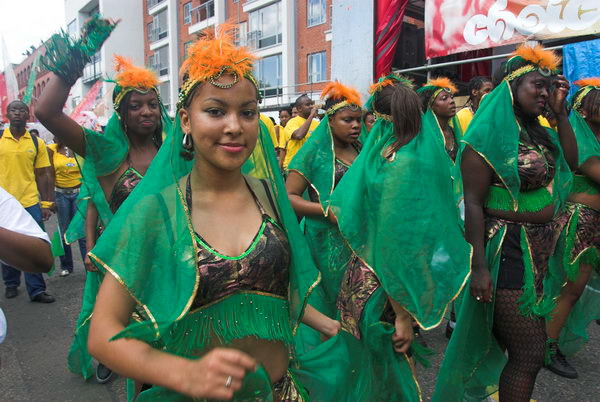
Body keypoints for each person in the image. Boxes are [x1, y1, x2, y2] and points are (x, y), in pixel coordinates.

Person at [85, 26, 336, 401]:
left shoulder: (270, 195)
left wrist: (334, 326)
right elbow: (103, 334)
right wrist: (185, 374)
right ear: (186, 120)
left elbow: (283, 292)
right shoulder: (159, 211)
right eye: (215, 111)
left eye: (247, 112)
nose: (234, 127)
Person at [302, 74, 472, 401]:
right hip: (383, 288)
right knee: (381, 376)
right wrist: (405, 316)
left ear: (377, 119)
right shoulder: (409, 157)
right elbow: (398, 244)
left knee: (370, 372)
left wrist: (404, 313)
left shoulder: (389, 158)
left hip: (371, 284)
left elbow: (391, 240)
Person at [433, 44, 578, 402]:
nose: (544, 95)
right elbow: (473, 202)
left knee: (518, 350)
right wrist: (479, 267)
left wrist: (560, 117)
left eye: (549, 88)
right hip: (506, 252)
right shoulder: (485, 138)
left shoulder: (537, 130)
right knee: (529, 353)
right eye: (536, 86)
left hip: (537, 252)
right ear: (512, 87)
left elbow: (570, 164)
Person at [36, 16, 171, 384]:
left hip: (173, 261)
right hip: (126, 265)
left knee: (173, 349)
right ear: (121, 113)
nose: (146, 112)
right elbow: (46, 112)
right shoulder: (107, 150)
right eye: (135, 106)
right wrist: (82, 51)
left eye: (152, 105)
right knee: (140, 357)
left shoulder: (173, 151)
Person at [285, 81, 362, 318]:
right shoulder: (313, 153)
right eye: (347, 120)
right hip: (325, 243)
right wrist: (327, 211)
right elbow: (288, 197)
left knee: (359, 304)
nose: (356, 125)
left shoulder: (360, 148)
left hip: (359, 239)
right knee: (330, 304)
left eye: (358, 120)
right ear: (330, 120)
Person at [544, 78, 600, 379]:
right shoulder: (576, 134)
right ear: (584, 108)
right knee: (569, 289)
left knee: (576, 290)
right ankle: (547, 347)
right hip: (580, 219)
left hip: (595, 222)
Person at [0, 100, 55, 303]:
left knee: (34, 244)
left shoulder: (35, 142)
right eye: (13, 110)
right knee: (8, 244)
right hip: (4, 205)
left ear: (27, 115)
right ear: (7, 114)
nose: (17, 113)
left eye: (21, 110)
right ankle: (11, 283)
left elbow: (43, 174)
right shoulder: (0, 138)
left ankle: (36, 290)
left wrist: (46, 202)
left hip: (29, 201)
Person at [47, 137, 86, 277]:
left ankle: (88, 266)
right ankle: (66, 266)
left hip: (79, 194)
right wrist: (50, 199)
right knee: (64, 231)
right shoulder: (51, 149)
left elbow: (87, 170)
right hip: (61, 195)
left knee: (82, 232)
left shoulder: (78, 149)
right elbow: (49, 173)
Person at [0, 186, 53, 273]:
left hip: (29, 202)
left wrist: (45, 203)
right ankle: (12, 285)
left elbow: (44, 260)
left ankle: (35, 286)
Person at [417, 77, 463, 162]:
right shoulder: (424, 135)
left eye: (451, 97)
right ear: (431, 106)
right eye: (444, 98)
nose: (452, 101)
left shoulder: (454, 132)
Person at [281, 95, 319, 170]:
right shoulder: (292, 122)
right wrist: (311, 116)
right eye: (308, 104)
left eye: (312, 104)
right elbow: (299, 135)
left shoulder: (317, 124)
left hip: (311, 168)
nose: (311, 106)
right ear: (299, 108)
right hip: (294, 167)